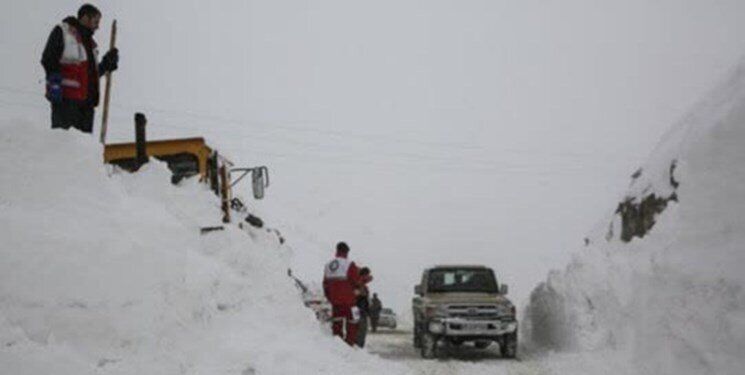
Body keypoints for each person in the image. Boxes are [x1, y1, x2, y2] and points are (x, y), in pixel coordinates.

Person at [41, 4, 119, 134]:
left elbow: (90, 75)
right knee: (65, 144)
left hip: (87, 106)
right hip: (66, 101)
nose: (98, 26)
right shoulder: (64, 31)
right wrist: (54, 83)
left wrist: (106, 64)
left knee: (81, 149)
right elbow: (48, 58)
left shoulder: (91, 45)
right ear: (85, 17)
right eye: (96, 21)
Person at [323, 242, 361, 346]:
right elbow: (356, 281)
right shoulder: (350, 264)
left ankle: (338, 347)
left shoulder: (328, 265)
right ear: (347, 252)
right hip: (349, 301)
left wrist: (330, 298)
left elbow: (325, 285)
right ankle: (349, 346)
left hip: (335, 302)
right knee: (353, 323)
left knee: (337, 325)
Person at [355, 267, 373, 347]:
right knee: (360, 331)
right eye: (367, 274)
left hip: (362, 311)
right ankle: (358, 347)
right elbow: (359, 297)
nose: (369, 276)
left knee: (362, 331)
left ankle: (359, 346)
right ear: (364, 275)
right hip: (360, 312)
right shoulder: (359, 284)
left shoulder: (362, 284)